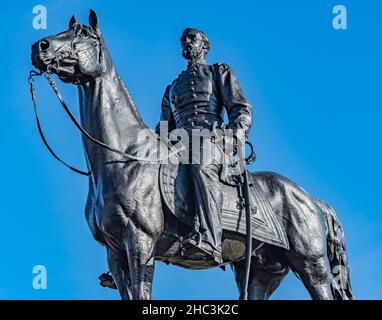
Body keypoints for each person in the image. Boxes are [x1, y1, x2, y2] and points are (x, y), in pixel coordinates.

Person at [155, 28, 252, 265]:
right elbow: (163, 127)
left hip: (211, 141)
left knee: (200, 165)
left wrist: (234, 138)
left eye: (192, 39)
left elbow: (241, 109)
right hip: (178, 145)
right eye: (183, 41)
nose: (186, 43)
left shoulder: (218, 72)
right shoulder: (172, 88)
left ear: (204, 46)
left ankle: (210, 240)